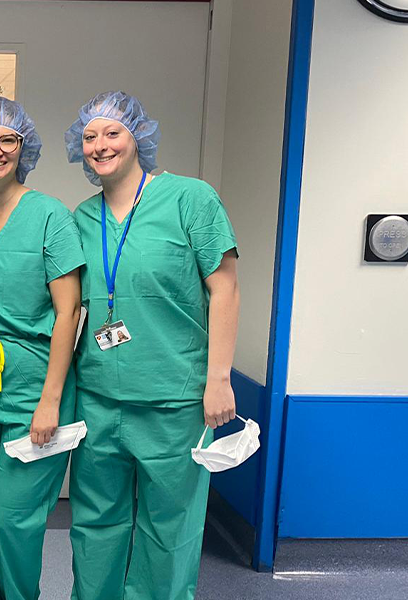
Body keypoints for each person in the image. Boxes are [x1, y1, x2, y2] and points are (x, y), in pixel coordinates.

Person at [65, 90, 240, 600]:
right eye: (89, 136)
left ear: (138, 136)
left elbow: (225, 288)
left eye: (112, 132)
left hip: (173, 398)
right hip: (98, 397)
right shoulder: (81, 218)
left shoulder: (191, 199)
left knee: (170, 527)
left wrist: (219, 378)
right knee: (95, 525)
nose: (100, 145)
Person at [0, 96, 85, 600]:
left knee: (14, 516)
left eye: (7, 139)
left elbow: (69, 313)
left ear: (23, 147)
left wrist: (51, 400)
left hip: (34, 386)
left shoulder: (50, 216)